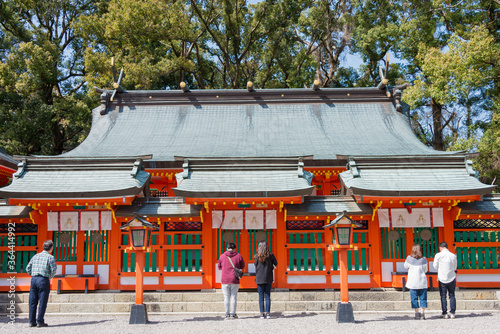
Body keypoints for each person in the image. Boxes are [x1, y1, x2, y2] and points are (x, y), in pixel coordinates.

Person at [26, 240, 57, 327]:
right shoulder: (50, 257)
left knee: (32, 301)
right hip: (43, 279)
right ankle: (40, 321)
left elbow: (28, 268)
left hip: (34, 279)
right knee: (42, 301)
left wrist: (33, 275)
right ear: (51, 248)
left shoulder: (35, 256)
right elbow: (54, 270)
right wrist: (49, 277)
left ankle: (31, 321)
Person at [217, 242, 245, 319]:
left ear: (227, 248)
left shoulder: (222, 256)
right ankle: (233, 313)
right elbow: (242, 266)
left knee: (226, 297)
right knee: (233, 297)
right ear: (235, 248)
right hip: (234, 279)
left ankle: (227, 314)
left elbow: (219, 267)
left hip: (225, 279)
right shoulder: (238, 256)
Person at [433, 241, 458, 319]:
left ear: (441, 247)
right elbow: (455, 267)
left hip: (442, 277)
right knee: (452, 295)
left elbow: (435, 266)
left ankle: (444, 313)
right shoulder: (452, 255)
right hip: (451, 277)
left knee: (443, 296)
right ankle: (453, 312)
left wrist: (440, 269)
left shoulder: (438, 255)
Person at [254, 241, 277, 319]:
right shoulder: (271, 255)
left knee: (261, 296)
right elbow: (276, 263)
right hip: (268, 277)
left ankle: (261, 314)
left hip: (259, 278)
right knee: (267, 295)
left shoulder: (257, 256)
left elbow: (255, 264)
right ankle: (267, 313)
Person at [404, 244, 428, 320]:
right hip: (422, 281)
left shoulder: (409, 258)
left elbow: (405, 266)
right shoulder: (424, 259)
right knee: (423, 298)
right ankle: (422, 313)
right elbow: (426, 270)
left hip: (412, 282)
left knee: (414, 298)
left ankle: (416, 313)